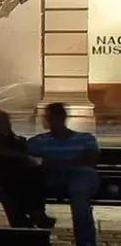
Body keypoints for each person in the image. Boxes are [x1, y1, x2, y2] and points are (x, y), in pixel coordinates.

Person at [28, 102, 100, 246]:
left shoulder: (85, 138)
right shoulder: (38, 141)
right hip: (55, 179)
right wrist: (70, 162)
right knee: (79, 196)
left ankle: (85, 242)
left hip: (76, 177)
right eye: (50, 117)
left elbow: (89, 161)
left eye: (53, 117)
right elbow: (29, 161)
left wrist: (54, 163)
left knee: (80, 195)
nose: (51, 120)